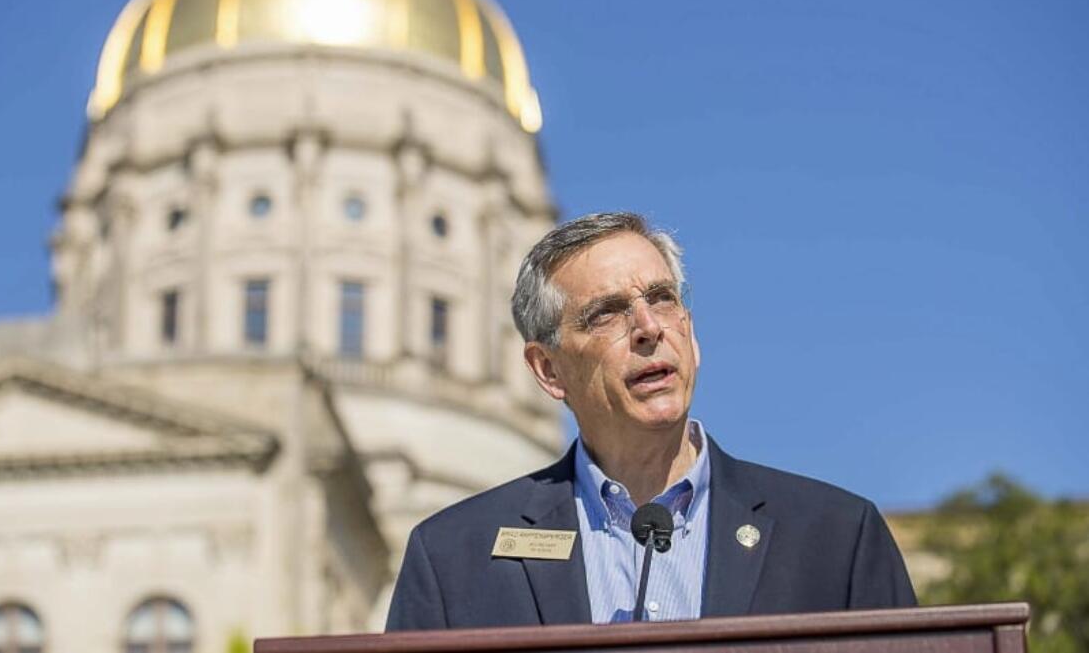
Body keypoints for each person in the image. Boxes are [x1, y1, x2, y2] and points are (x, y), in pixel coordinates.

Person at [385, 211, 916, 630]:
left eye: (662, 300)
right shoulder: (454, 556)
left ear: (690, 331)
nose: (647, 328)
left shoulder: (836, 537)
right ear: (549, 370)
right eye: (607, 313)